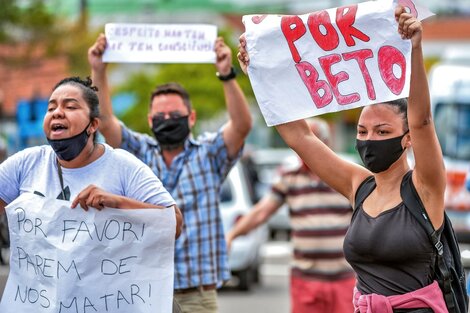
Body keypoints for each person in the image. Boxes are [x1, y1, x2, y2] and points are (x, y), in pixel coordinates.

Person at [238, 6, 449, 313]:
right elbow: (301, 137)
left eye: (382, 130)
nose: (369, 139)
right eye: (362, 131)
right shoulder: (358, 186)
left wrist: (415, 49)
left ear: (407, 139)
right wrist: (259, 72)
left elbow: (422, 121)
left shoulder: (425, 187)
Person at [88, 34, 252, 312]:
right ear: (150, 120)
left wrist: (226, 73)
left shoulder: (209, 154)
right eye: (160, 117)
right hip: (143, 292)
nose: (167, 121)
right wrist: (98, 69)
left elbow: (241, 125)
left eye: (174, 115)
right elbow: (105, 120)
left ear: (191, 118)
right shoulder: (137, 152)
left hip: (195, 295)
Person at [226, 118, 355, 313]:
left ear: (325, 144)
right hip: (305, 278)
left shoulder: (346, 177)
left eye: (310, 142)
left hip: (344, 278)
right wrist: (232, 235)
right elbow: (261, 212)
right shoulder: (290, 179)